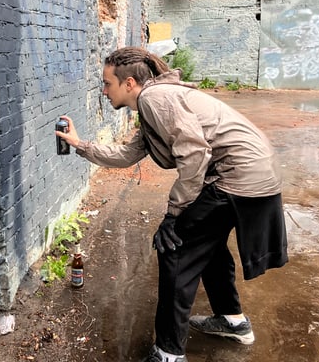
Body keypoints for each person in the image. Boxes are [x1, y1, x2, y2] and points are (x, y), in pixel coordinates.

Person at [56, 47, 288, 362]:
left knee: (175, 247)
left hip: (238, 177)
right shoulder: (151, 104)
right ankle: (232, 321)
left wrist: (173, 215)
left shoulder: (156, 99)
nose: (103, 90)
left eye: (107, 83)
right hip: (256, 174)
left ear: (128, 84)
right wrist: (79, 144)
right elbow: (127, 155)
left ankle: (168, 353)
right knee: (208, 244)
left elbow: (193, 155)